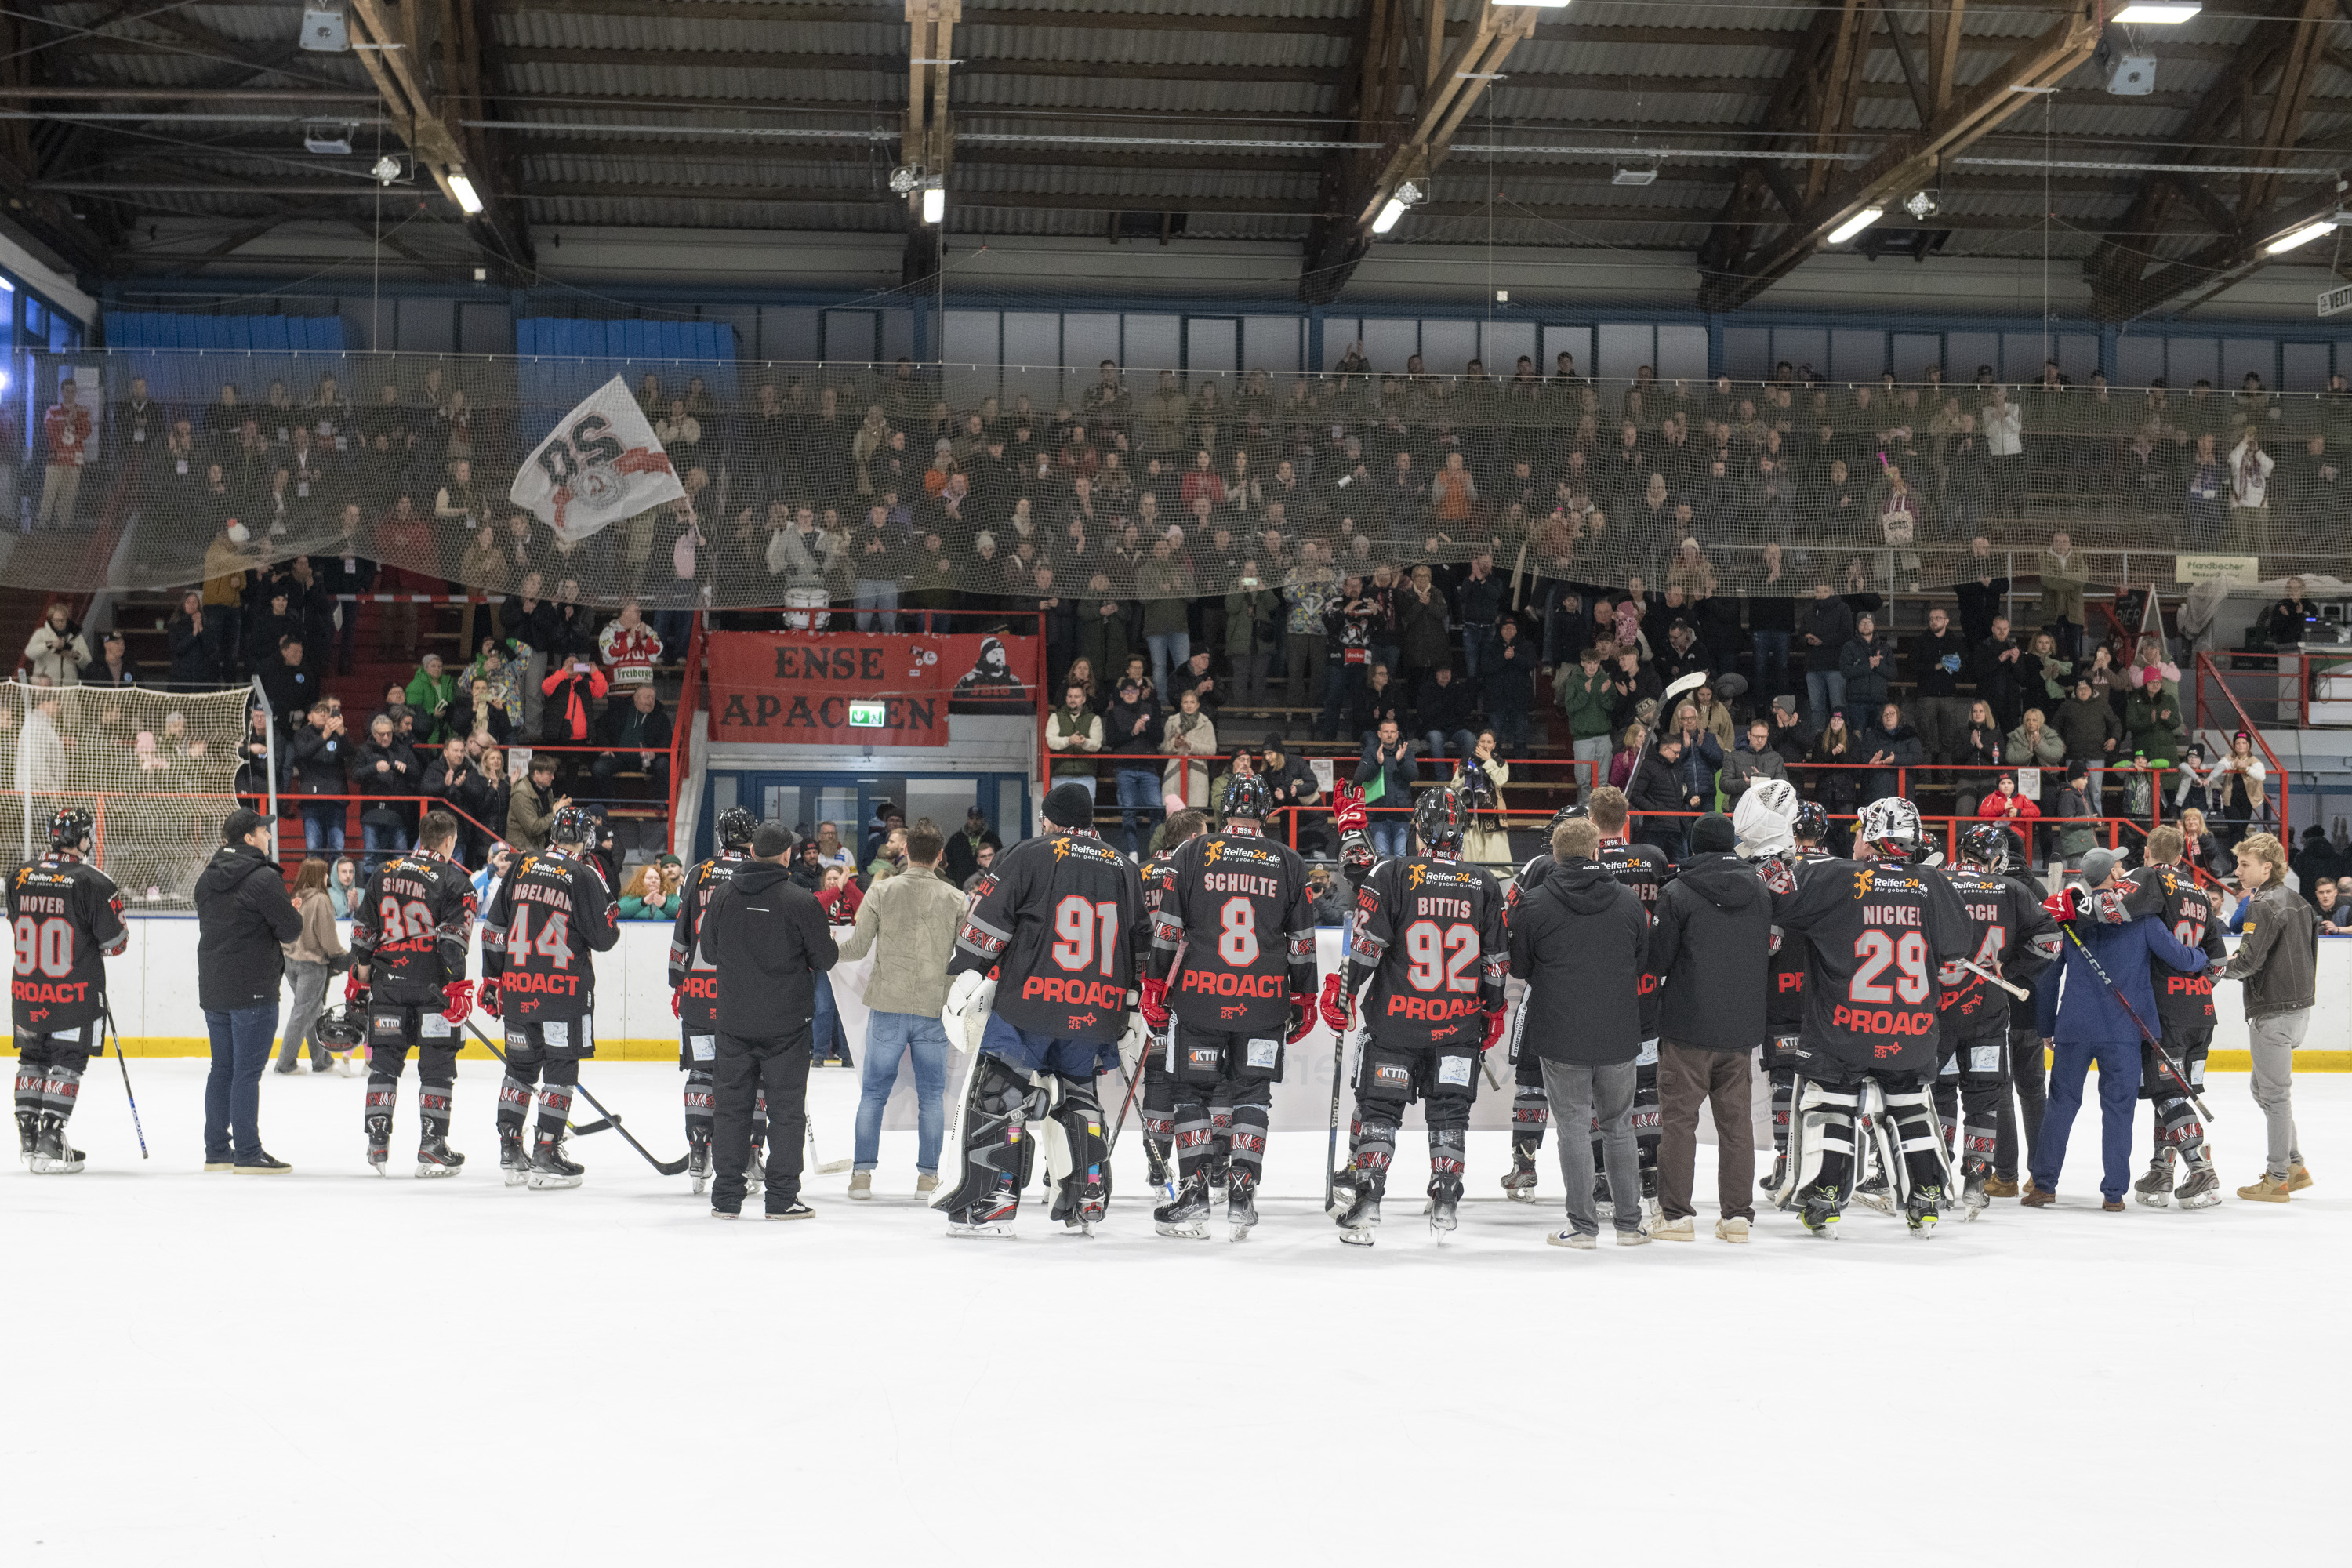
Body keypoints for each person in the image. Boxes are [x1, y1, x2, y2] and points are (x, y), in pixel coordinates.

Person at [936, 782, 1146, 1237]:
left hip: (1030, 1001)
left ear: (1049, 818)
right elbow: (1139, 944)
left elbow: (987, 924)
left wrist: (968, 971)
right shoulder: (1125, 868)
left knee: (999, 1093)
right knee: (1080, 1095)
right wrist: (1129, 1003)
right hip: (1096, 1009)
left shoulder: (1027, 854)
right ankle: (1086, 1198)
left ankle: (990, 1200)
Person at [1766, 797, 1974, 1236]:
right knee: (1909, 1102)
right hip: (1912, 1028)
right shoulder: (1934, 883)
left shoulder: (1838, 877)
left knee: (1832, 1103)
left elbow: (1776, 897)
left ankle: (1825, 1194)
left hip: (1846, 1026)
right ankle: (1927, 1193)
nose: (1855, 837)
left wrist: (1763, 855)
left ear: (1875, 836)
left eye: (1861, 830)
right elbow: (1958, 946)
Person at [1320, 787, 1509, 1245]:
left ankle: (1367, 1200)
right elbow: (1496, 961)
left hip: (1396, 1023)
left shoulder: (1395, 872)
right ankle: (1445, 1197)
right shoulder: (1483, 882)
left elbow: (1366, 947)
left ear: (1419, 830)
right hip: (1458, 1023)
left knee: (1381, 1108)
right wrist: (1494, 1007)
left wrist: (1344, 993)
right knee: (1449, 1113)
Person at [1139, 773, 1319, 1240]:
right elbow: (1301, 943)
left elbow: (1169, 928)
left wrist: (1155, 984)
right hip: (1263, 1003)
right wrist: (1305, 997)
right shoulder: (1289, 861)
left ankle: (1196, 1191)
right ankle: (1241, 1194)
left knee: (1190, 1095)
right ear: (1265, 813)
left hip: (1200, 999)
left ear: (1225, 809)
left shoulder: (1193, 852)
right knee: (1253, 1096)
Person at [2027, 850, 2208, 1211]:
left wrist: (2047, 1025)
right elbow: (2181, 958)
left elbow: (2048, 977)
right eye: (2121, 866)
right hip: (2124, 1030)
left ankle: (2043, 1186)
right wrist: (2205, 956)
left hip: (2074, 1027)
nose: (2125, 870)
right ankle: (2113, 1194)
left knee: (2060, 1105)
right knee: (2119, 1110)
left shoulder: (2071, 916)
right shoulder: (2140, 918)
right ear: (2112, 874)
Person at [1505, 811, 1650, 1248]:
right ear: (1595, 850)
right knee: (1618, 1126)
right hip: (1619, 1031)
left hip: (1560, 1031)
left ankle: (1583, 1227)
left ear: (1554, 853)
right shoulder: (1628, 901)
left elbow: (1519, 967)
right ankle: (1630, 1225)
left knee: (1571, 1127)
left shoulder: (1533, 903)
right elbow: (1640, 962)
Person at [695, 822, 838, 1220]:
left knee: (730, 1109)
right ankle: (781, 1198)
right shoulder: (801, 900)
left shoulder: (723, 895)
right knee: (787, 1112)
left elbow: (708, 950)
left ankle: (725, 1199)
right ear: (787, 855)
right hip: (786, 1026)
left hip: (733, 1021)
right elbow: (825, 959)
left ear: (753, 852)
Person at [1644, 812, 1771, 1243]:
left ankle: (1677, 1217)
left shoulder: (1677, 891)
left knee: (1678, 1122)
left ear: (1694, 846)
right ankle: (1737, 1217)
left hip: (1687, 1025)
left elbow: (1658, 960)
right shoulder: (1757, 887)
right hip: (1741, 1026)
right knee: (1737, 1125)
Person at [479, 805, 620, 1189]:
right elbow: (604, 940)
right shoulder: (583, 874)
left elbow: (494, 928)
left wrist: (492, 979)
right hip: (564, 994)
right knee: (560, 1071)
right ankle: (546, 1151)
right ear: (587, 839)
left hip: (519, 989)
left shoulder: (522, 864)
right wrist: (610, 913)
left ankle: (510, 1149)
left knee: (520, 1069)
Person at [1933, 823, 2062, 1217]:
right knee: (1984, 1100)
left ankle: (1935, 1182)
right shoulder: (2011, 889)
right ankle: (1976, 1181)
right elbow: (2050, 942)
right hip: (1988, 1012)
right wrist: (2011, 972)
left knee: (1940, 1096)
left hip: (1939, 1011)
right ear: (1994, 857)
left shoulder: (1937, 881)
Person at [837, 821, 967, 1200]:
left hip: (888, 1005)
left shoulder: (882, 891)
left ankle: (861, 1177)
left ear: (906, 851)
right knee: (931, 1097)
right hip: (933, 1008)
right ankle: (927, 1180)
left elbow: (857, 948)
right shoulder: (956, 898)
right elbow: (966, 958)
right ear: (941, 855)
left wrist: (824, 948)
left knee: (873, 1094)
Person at [348, 808, 480, 1177]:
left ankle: (377, 1143)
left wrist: (359, 985)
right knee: (437, 1067)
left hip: (387, 986)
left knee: (384, 1065)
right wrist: (458, 987)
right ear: (450, 840)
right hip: (433, 991)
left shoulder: (384, 873)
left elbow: (363, 937)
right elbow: (453, 944)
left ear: (421, 837)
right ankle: (433, 1147)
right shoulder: (456, 881)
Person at [9, 809, 129, 1173]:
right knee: (67, 1060)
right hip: (73, 993)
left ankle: (29, 1141)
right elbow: (117, 942)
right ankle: (50, 1142)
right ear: (81, 839)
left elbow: (17, 922)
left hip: (28, 990)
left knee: (32, 1058)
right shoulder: (93, 880)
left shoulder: (20, 875)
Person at [2124, 826, 2230, 1210]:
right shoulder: (2200, 891)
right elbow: (2218, 963)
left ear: (2149, 851)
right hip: (2201, 1012)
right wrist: (2195, 988)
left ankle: (2200, 1167)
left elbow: (2116, 912)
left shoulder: (2149, 877)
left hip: (2164, 1010)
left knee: (2167, 1091)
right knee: (2171, 1090)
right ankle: (2160, 1169)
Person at [194, 809, 303, 1174]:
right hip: (253, 988)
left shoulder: (206, 878)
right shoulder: (263, 879)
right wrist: (290, 911)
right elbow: (290, 931)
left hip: (214, 986)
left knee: (222, 1069)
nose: (269, 837)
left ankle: (216, 1150)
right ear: (249, 838)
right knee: (245, 1073)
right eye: (264, 832)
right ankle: (247, 1152)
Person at [2212, 832, 2316, 1203]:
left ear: (2267, 867)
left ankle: (2277, 1179)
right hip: (2297, 1008)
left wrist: (2213, 969)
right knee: (2264, 1089)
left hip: (2274, 1009)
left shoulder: (2264, 904)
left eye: (2245, 864)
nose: (2238, 871)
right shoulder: (2299, 902)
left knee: (2274, 1095)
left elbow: (2249, 961)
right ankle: (2296, 1166)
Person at [666, 805, 758, 1196]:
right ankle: (751, 1155)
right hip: (745, 998)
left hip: (700, 995)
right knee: (754, 1077)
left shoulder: (698, 872)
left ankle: (698, 1152)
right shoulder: (757, 874)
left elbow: (683, 931)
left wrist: (677, 981)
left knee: (702, 1073)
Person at [274, 858, 349, 1076]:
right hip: (311, 965)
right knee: (302, 1013)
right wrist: (341, 956)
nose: (328, 878)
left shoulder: (295, 897)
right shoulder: (320, 900)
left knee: (312, 1012)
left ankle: (322, 1059)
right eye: (325, 874)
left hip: (290, 963)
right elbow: (327, 937)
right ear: (318, 876)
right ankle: (285, 1063)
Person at [1352, 717, 1420, 861]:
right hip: (1378, 813)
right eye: (1386, 732)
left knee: (1401, 855)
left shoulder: (1406, 751)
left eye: (1392, 732)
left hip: (1401, 813)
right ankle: (1383, 884)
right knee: (1381, 855)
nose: (1389, 735)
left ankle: (1400, 884)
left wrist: (1401, 761)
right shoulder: (1371, 752)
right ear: (1379, 733)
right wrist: (1378, 763)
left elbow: (1413, 776)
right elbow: (1362, 776)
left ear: (1397, 734)